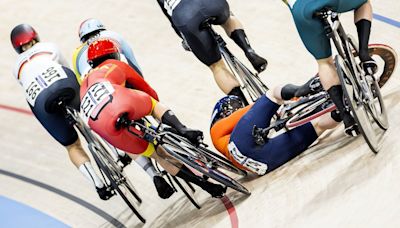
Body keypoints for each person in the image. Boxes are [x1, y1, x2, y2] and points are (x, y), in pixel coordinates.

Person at [80, 39, 227, 198]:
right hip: (119, 102)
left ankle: (205, 186)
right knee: (152, 104)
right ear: (113, 54)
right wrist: (159, 116)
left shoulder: (83, 84)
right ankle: (183, 129)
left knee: (159, 155)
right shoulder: (114, 65)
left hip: (102, 126)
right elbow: (147, 91)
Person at [10, 24, 115, 200]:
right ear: (35, 37)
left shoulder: (16, 67)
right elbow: (72, 73)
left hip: (42, 101)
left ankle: (98, 185)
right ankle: (118, 152)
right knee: (93, 114)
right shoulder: (49, 47)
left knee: (72, 145)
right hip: (63, 83)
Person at [73, 19, 175, 199]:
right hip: (120, 76)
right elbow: (133, 66)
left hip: (101, 95)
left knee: (120, 133)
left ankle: (154, 175)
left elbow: (85, 84)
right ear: (102, 28)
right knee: (149, 102)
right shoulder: (113, 36)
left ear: (82, 39)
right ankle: (175, 129)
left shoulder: (76, 55)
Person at [283, 0, 376, 136]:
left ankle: (346, 117)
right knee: (364, 3)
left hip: (301, 9)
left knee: (324, 63)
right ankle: (364, 54)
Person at [156, 0, 267, 103]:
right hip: (212, 3)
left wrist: (184, 37)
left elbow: (169, 16)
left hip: (185, 14)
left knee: (216, 66)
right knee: (229, 18)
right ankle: (248, 50)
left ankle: (244, 105)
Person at [209, 88, 341, 175]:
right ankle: (304, 87)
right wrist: (289, 97)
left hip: (264, 164)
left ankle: (344, 109)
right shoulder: (216, 129)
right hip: (241, 144)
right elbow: (251, 109)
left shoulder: (222, 143)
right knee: (272, 95)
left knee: (318, 125)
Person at [72, 18, 142, 82]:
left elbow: (80, 83)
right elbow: (132, 61)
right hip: (118, 69)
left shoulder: (76, 53)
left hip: (93, 79)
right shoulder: (113, 34)